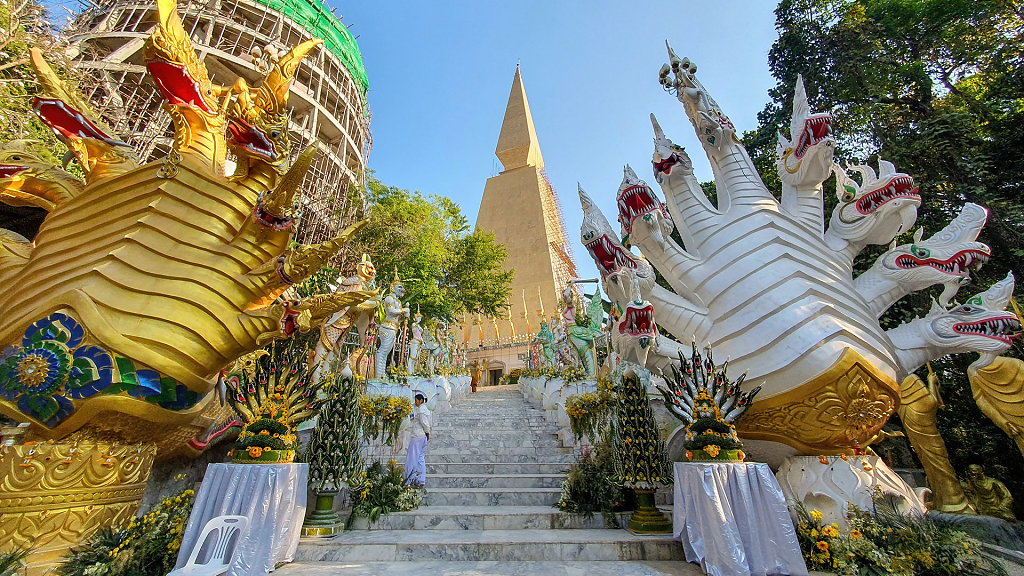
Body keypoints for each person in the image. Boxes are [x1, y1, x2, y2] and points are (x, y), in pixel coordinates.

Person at [404, 392, 431, 488]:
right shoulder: (420, 409)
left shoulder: (421, 411)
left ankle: (408, 480)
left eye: (417, 401)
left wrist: (427, 432)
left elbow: (425, 423)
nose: (415, 402)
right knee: (420, 459)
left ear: (421, 401)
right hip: (421, 436)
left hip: (417, 436)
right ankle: (420, 480)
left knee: (412, 458)